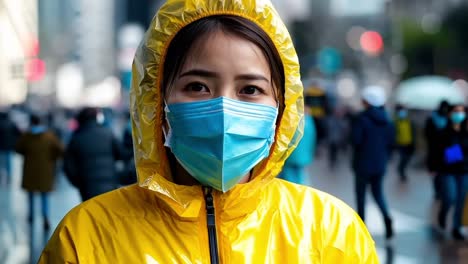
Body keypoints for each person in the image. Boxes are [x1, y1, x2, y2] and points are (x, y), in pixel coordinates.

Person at [39, 1, 378, 262]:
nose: (223, 109)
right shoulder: (86, 237)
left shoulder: (332, 232)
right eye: (198, 86)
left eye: (250, 90)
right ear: (157, 102)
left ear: (281, 109)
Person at [351, 85, 395, 240]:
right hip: (380, 164)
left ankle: (362, 227)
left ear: (367, 102)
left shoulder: (361, 119)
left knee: (361, 196)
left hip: (362, 164)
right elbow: (391, 143)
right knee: (378, 194)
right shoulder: (388, 120)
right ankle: (387, 218)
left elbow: (356, 140)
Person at [63, 107, 123, 201]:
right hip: (109, 184)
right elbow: (121, 154)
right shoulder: (108, 133)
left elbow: (68, 165)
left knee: (90, 213)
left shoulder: (76, 138)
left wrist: (78, 182)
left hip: (87, 186)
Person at [15, 114, 64, 230]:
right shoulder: (49, 136)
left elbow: (18, 148)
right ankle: (45, 217)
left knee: (30, 195)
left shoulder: (26, 136)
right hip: (45, 170)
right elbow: (61, 149)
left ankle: (31, 216)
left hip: (29, 170)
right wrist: (52, 158)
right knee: (44, 195)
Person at [437, 104, 468, 240]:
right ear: (450, 114)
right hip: (448, 170)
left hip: (463, 171)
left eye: (461, 112)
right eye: (456, 111)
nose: (459, 115)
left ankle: (456, 227)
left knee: (460, 200)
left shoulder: (466, 132)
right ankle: (443, 213)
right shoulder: (444, 131)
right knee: (451, 198)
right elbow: (441, 152)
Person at [278, 107, 316, 185]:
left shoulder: (292, 121)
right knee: (301, 174)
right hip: (304, 155)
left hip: (291, 155)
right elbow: (313, 138)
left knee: (289, 176)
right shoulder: (309, 121)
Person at [424, 100, 450, 200]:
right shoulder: (431, 119)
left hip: (448, 151)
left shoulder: (451, 120)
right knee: (436, 173)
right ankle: (438, 191)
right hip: (434, 151)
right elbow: (427, 135)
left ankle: (443, 191)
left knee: (447, 173)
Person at [393, 104, 416, 182]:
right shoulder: (396, 121)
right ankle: (401, 171)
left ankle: (401, 170)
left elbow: (413, 132)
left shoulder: (408, 120)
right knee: (403, 158)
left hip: (409, 143)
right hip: (400, 144)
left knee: (406, 159)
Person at [0, 110, 21, 186]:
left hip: (1, 147)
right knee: (8, 164)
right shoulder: (11, 124)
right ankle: (9, 177)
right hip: (8, 147)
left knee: (2, 163)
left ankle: (3, 177)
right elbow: (19, 133)